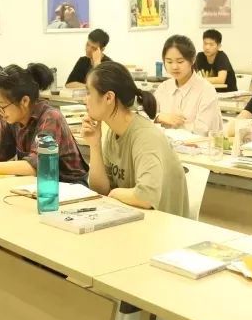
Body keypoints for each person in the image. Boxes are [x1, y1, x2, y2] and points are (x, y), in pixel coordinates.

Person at [81, 61, 188, 216]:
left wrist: (115, 193)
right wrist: (94, 144)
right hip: (132, 218)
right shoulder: (113, 132)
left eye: (88, 92)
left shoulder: (145, 136)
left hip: (162, 225)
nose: (85, 100)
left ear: (109, 97)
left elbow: (145, 197)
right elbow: (100, 190)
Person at [0, 63, 87, 182]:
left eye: (1, 106)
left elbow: (36, 166)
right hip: (38, 184)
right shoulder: (12, 119)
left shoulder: (50, 118)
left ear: (24, 101)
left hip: (69, 186)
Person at [153, 35, 223, 135]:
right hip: (163, 143)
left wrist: (176, 127)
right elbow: (145, 117)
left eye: (180, 61)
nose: (174, 67)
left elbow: (205, 131)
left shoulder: (206, 90)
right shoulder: (163, 87)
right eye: (169, 61)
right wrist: (159, 117)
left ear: (193, 59)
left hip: (196, 144)